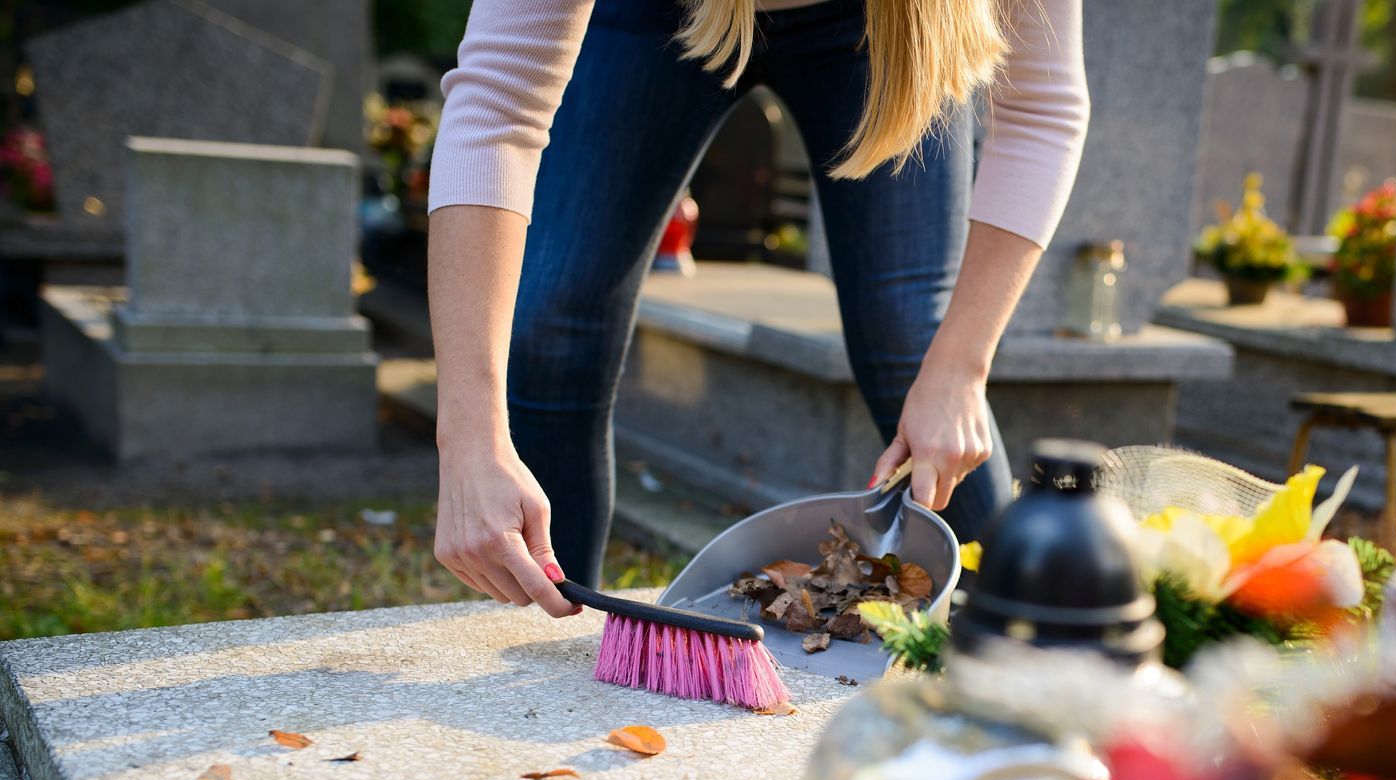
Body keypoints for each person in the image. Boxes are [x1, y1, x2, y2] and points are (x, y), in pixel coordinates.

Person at [428, 0, 1089, 617]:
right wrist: (469, 439)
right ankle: (543, 644)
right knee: (550, 319)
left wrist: (961, 368)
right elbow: (497, 105)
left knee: (914, 336)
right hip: (647, 14)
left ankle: (1020, 630)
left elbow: (1041, 109)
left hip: (887, 24)